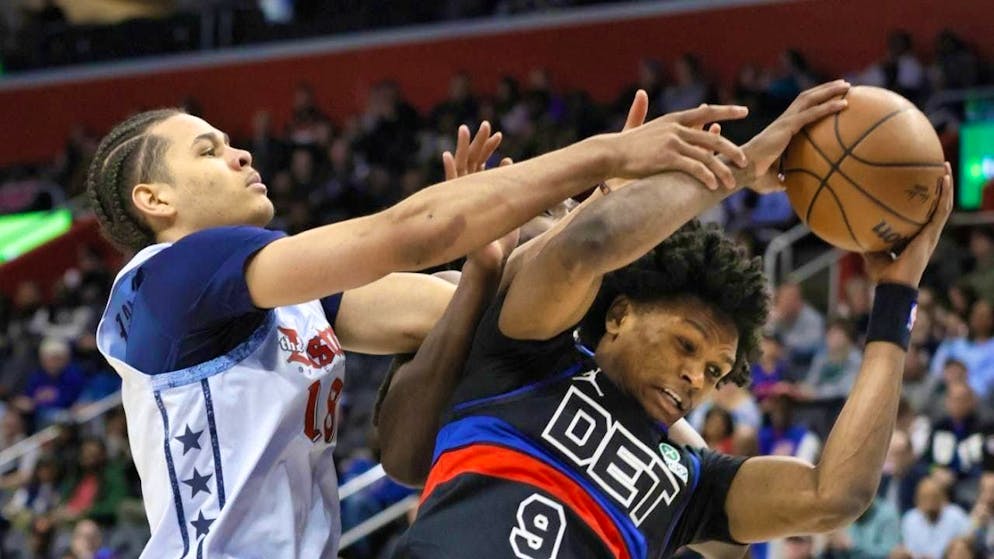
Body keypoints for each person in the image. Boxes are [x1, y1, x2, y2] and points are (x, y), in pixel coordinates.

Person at [87, 95, 751, 558]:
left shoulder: (279, 298)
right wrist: (608, 156)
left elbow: (487, 320)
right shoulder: (169, 277)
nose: (239, 155)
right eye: (209, 151)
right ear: (155, 199)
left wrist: (584, 228)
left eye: (231, 143)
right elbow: (409, 233)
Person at [390, 80, 954, 557]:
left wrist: (896, 297)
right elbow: (591, 243)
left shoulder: (693, 483)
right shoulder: (533, 356)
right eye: (687, 346)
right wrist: (736, 168)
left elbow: (835, 495)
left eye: (715, 372)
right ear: (618, 314)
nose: (697, 379)